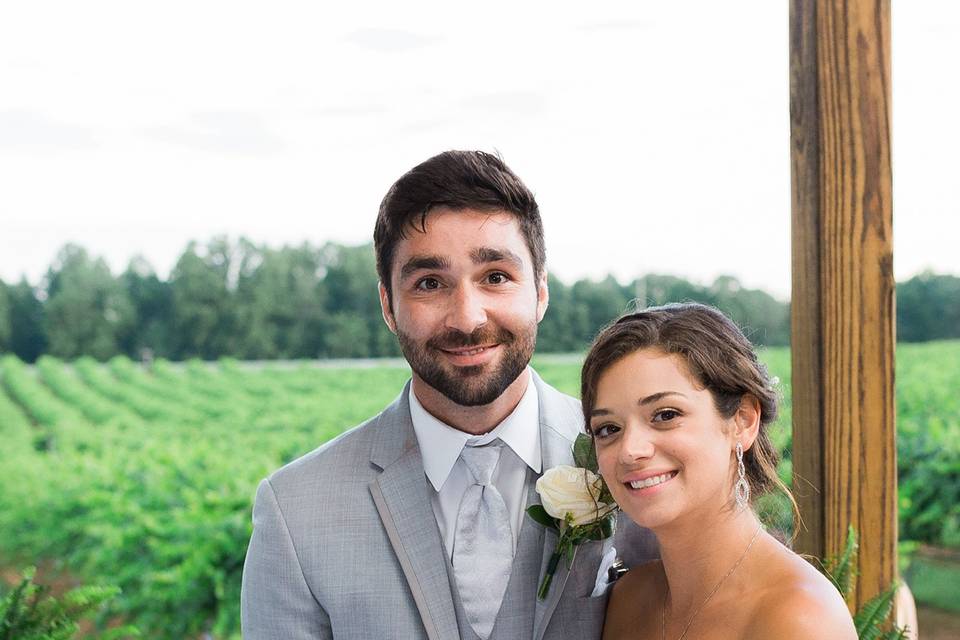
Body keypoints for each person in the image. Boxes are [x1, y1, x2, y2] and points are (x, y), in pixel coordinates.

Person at [240, 150, 658, 640]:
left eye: (496, 277)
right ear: (388, 305)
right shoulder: (295, 509)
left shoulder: (639, 466)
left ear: (541, 289)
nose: (467, 318)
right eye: (430, 283)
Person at [581, 303, 857, 640]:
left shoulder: (800, 618)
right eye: (608, 428)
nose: (630, 450)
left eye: (665, 415)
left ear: (743, 420)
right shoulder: (628, 599)